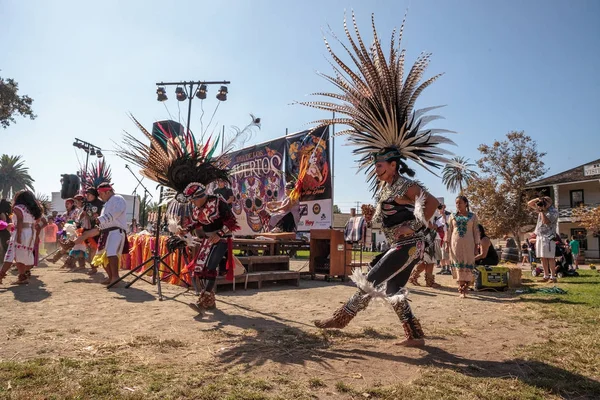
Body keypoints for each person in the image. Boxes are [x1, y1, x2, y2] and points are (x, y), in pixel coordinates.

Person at [115, 114, 249, 310]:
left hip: (220, 240)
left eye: (195, 199)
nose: (194, 203)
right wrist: (182, 230)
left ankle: (204, 299)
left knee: (210, 268)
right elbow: (194, 223)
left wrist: (219, 234)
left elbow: (232, 222)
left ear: (202, 194)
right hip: (205, 240)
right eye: (192, 200)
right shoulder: (197, 208)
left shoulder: (218, 202)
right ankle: (208, 299)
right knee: (200, 269)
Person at [75, 182, 128, 286]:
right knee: (102, 256)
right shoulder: (106, 204)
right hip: (106, 232)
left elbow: (117, 212)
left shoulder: (118, 198)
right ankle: (110, 277)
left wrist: (101, 219)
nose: (99, 196)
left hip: (115, 231)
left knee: (111, 253)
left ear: (108, 192)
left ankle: (116, 277)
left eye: (100, 193)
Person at [0, 190, 43, 285]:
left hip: (21, 232)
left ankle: (2, 275)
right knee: (21, 255)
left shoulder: (18, 208)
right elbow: (37, 222)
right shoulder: (33, 209)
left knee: (11, 254)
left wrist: (18, 236)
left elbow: (20, 221)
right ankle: (22, 276)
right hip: (30, 233)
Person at [446, 196, 480, 298]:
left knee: (468, 264)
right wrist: (447, 244)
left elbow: (476, 232)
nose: (458, 205)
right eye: (456, 203)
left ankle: (466, 286)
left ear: (466, 203)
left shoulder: (473, 217)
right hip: (455, 244)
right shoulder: (452, 216)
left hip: (469, 244)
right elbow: (448, 231)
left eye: (460, 203)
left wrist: (476, 246)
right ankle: (462, 289)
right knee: (458, 264)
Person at [527, 196, 559, 283]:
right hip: (540, 236)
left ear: (550, 202)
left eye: (546, 202)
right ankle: (546, 276)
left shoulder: (553, 211)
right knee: (542, 257)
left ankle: (553, 277)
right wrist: (538, 199)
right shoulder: (542, 208)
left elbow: (546, 221)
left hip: (549, 236)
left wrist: (541, 211)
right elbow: (529, 203)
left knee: (550, 257)